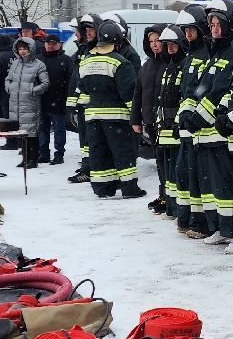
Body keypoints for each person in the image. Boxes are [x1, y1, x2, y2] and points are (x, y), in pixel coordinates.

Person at [194, 0, 233, 249]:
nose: (213, 28)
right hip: (208, 134)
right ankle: (224, 228)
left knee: (229, 187)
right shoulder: (215, 54)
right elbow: (201, 90)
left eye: (218, 24)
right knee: (217, 187)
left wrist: (201, 116)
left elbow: (222, 90)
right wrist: (191, 112)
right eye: (211, 24)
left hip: (222, 134)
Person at [78, 18, 146, 199]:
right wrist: (137, 117)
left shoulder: (86, 61)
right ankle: (130, 189)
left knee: (99, 152)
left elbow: (82, 88)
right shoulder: (120, 62)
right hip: (117, 118)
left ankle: (102, 188)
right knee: (123, 153)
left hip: (92, 117)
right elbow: (128, 93)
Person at [174, 5, 214, 236]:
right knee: (185, 174)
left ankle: (201, 224)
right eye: (185, 30)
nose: (188, 34)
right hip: (187, 124)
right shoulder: (190, 56)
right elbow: (187, 91)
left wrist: (194, 117)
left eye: (192, 30)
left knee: (200, 179)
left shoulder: (208, 54)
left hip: (202, 125)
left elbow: (204, 90)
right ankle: (188, 218)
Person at [131, 24, 168, 200]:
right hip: (150, 121)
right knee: (159, 161)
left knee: (167, 161)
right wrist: (135, 119)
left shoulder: (171, 63)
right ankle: (163, 195)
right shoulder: (146, 66)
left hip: (167, 122)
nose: (154, 44)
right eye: (151, 41)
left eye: (158, 40)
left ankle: (169, 196)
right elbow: (138, 93)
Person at [152, 26, 186, 215]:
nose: (170, 48)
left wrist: (177, 123)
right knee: (166, 172)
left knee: (176, 173)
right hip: (163, 130)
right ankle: (170, 205)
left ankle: (176, 207)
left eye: (174, 44)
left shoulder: (183, 66)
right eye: (168, 45)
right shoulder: (169, 68)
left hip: (175, 130)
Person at [4, 38, 50, 168]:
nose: (22, 51)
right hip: (15, 103)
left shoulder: (38, 65)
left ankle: (33, 159)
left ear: (31, 49)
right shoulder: (15, 63)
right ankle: (25, 158)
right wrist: (9, 88)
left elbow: (45, 83)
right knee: (20, 133)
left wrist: (31, 90)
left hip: (30, 103)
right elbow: (8, 79)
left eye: (25, 49)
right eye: (20, 49)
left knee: (31, 132)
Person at [66, 15, 99, 184]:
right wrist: (71, 105)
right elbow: (75, 80)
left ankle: (89, 168)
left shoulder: (90, 50)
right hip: (82, 104)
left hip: (90, 104)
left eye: (77, 32)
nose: (77, 35)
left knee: (89, 140)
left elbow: (83, 80)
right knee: (84, 141)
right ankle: (87, 165)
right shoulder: (82, 49)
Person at [37, 32, 70, 165]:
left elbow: (69, 81)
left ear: (59, 45)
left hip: (59, 101)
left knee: (59, 130)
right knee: (42, 129)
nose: (50, 46)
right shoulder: (38, 59)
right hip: (41, 101)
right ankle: (44, 153)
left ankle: (59, 154)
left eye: (53, 43)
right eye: (48, 43)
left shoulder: (66, 60)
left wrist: (67, 99)